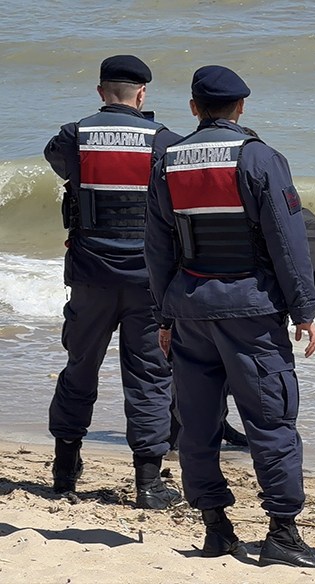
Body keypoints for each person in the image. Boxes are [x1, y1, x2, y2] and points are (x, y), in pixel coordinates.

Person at [144, 65, 315, 570]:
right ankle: (282, 534)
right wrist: (304, 309)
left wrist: (163, 314)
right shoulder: (260, 158)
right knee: (271, 420)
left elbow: (158, 247)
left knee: (198, 425)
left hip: (188, 308)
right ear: (241, 107)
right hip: (250, 311)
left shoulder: (167, 160)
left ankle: (216, 529)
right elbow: (288, 241)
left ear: (193, 109)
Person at [43, 55, 181, 509]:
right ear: (142, 94)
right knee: (148, 378)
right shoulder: (164, 142)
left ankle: (64, 474)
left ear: (101, 92)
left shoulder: (73, 135)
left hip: (89, 276)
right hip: (147, 282)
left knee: (79, 369)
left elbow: (62, 164)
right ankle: (148, 483)